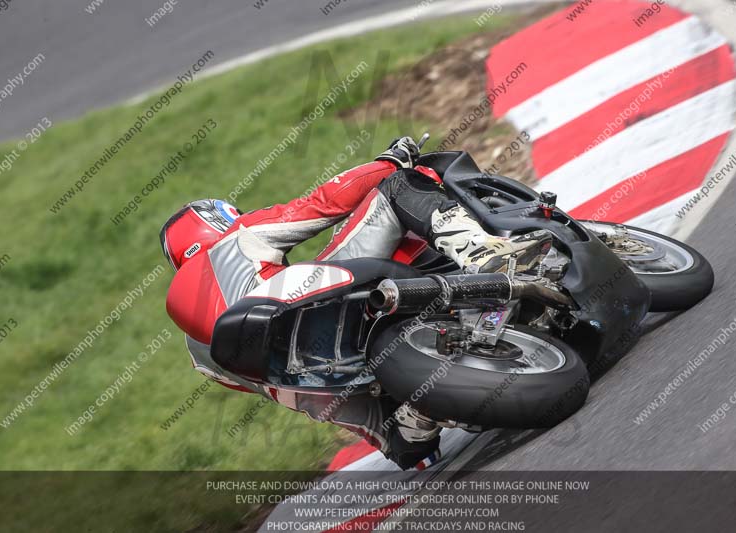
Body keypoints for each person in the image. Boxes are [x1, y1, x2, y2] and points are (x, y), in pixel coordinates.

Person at [161, 137, 542, 469]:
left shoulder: (199, 355)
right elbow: (320, 205)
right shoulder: (236, 237)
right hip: (317, 309)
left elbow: (261, 387)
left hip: (312, 382)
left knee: (396, 442)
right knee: (396, 188)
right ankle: (486, 256)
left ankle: (407, 428)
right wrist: (389, 161)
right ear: (215, 222)